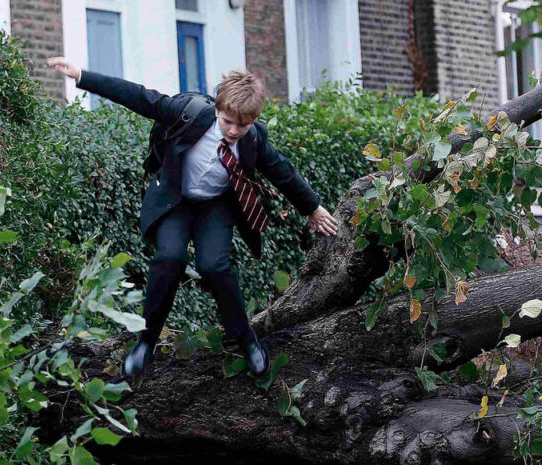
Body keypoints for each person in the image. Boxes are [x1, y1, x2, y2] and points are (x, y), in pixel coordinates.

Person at [46, 57, 339, 380]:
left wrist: (313, 208)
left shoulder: (254, 139)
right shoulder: (188, 112)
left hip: (216, 206)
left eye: (241, 126)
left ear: (253, 120)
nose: (232, 131)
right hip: (177, 201)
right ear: (218, 108)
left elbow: (283, 173)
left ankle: (246, 340)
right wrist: (83, 75)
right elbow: (139, 97)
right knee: (169, 259)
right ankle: (145, 342)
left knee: (214, 266)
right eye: (228, 121)